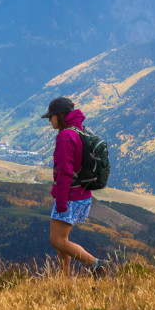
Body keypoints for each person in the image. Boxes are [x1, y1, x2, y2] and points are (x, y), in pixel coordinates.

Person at [41, 96, 108, 278]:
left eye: (51, 116)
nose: (49, 120)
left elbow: (65, 172)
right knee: (62, 242)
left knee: (57, 240)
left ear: (60, 115)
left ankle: (96, 264)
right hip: (82, 194)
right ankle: (64, 279)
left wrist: (61, 202)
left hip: (70, 196)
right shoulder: (78, 131)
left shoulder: (65, 136)